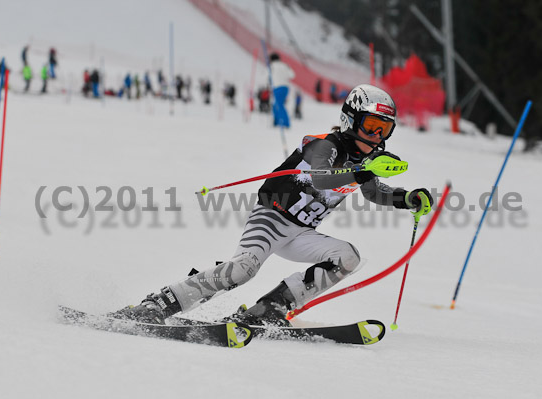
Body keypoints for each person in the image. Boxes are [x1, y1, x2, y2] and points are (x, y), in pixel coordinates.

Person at [113, 84, 434, 326]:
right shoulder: (326, 145)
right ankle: (160, 303)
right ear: (351, 120)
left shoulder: (365, 160)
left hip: (301, 233)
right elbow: (322, 178)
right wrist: (365, 169)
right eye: (371, 127)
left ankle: (271, 308)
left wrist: (407, 199)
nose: (377, 138)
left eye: (385, 130)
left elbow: (373, 192)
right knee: (243, 269)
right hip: (272, 217)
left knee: (348, 257)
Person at [269, 53, 295, 128]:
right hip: (285, 87)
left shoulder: (272, 66)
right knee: (276, 104)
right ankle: (277, 121)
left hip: (277, 87)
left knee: (279, 104)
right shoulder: (284, 65)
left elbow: (268, 76)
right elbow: (292, 75)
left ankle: (285, 123)